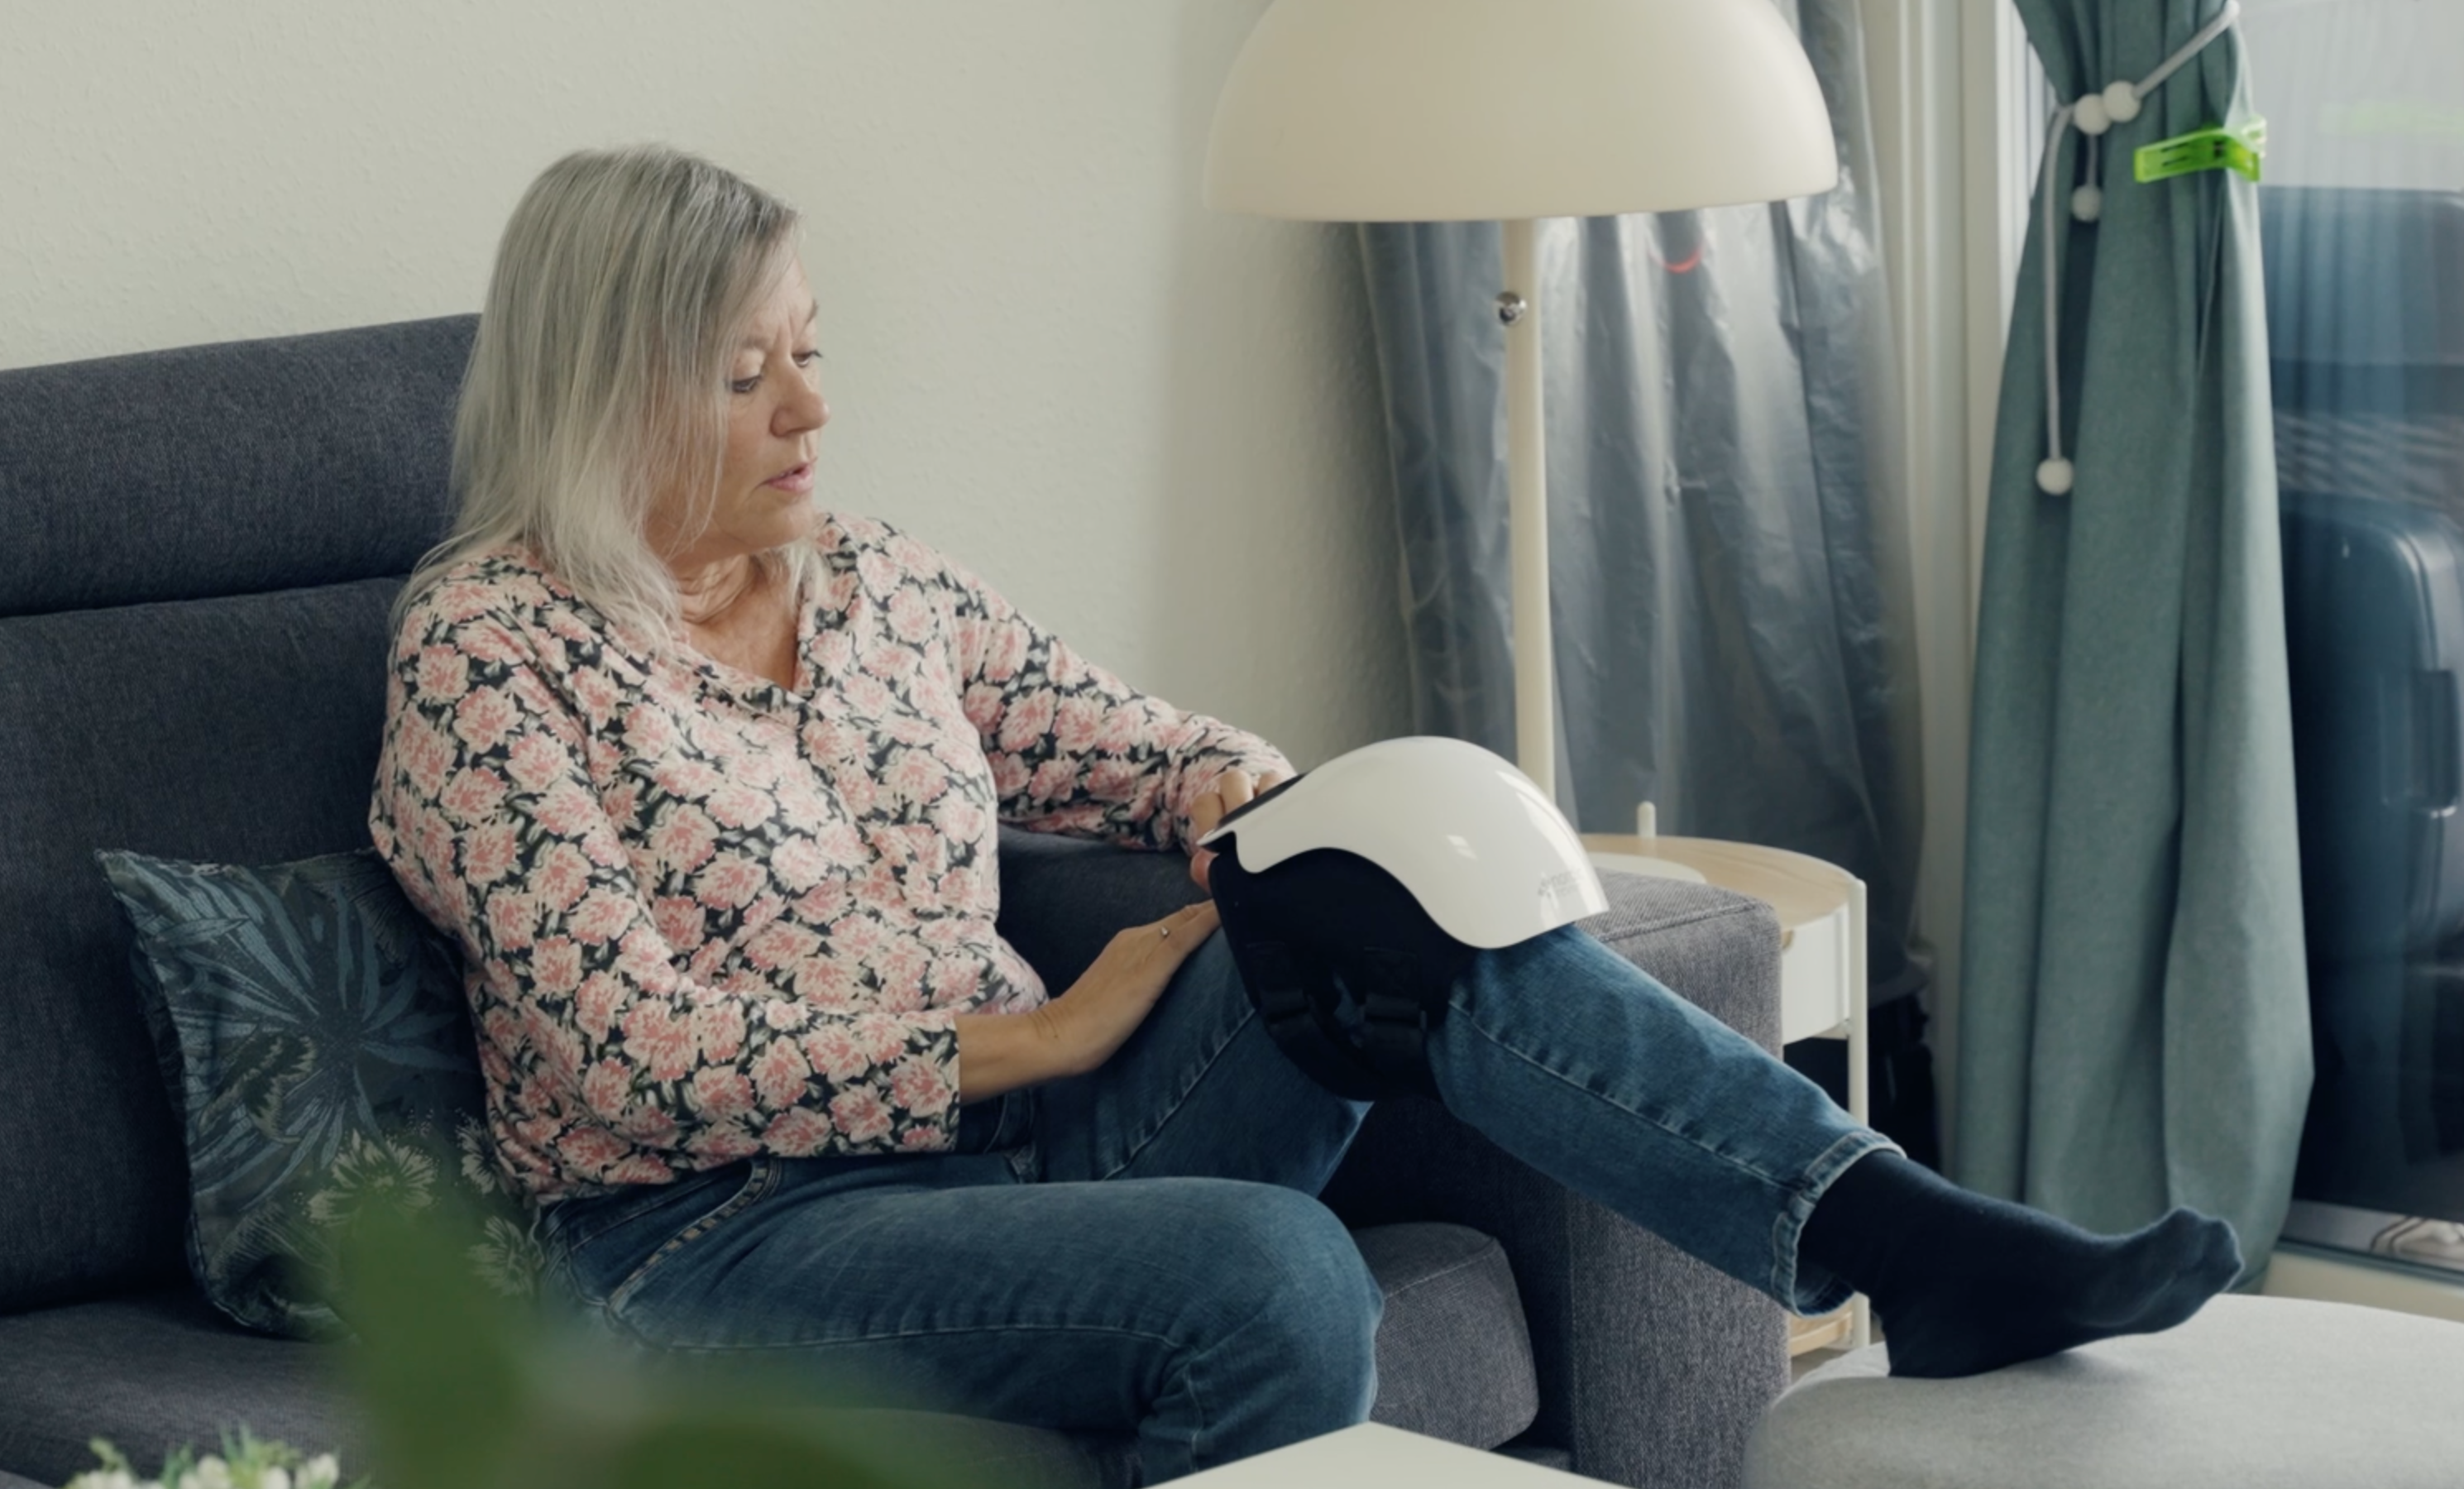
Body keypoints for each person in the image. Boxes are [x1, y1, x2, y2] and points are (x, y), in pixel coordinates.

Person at [366, 144, 2242, 1480]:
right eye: (744, 371)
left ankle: (1898, 1236)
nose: (810, 410)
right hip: (713, 1246)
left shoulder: (873, 584)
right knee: (1269, 1271)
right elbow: (632, 1058)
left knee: (1372, 888)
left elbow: (1154, 747)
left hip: (1029, 1157)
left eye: (813, 348)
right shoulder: (490, 653)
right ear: (608, 386)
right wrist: (1029, 1036)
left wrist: (1297, 849)